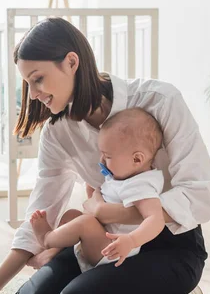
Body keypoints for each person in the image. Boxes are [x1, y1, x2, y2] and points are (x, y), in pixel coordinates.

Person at [0, 17, 210, 294]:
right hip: (101, 246)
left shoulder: (160, 100)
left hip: (172, 248)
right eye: (27, 83)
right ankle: (96, 286)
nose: (32, 95)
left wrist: (104, 210)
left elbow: (200, 196)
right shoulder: (59, 132)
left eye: (38, 79)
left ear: (71, 62)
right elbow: (40, 213)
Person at [31, 107, 166, 273]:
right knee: (72, 215)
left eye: (108, 156)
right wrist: (93, 191)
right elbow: (99, 200)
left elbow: (156, 219)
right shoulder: (123, 175)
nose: (102, 160)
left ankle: (46, 239)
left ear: (137, 159)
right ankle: (52, 252)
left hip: (112, 251)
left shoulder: (141, 185)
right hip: (99, 238)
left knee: (84, 223)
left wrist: (131, 240)